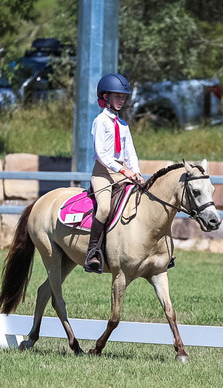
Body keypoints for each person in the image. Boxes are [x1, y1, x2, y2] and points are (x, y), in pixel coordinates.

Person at [84, 73, 144, 274]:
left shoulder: (123, 125)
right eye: (117, 96)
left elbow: (130, 153)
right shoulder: (100, 122)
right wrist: (124, 170)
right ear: (106, 97)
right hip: (103, 173)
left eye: (123, 96)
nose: (122, 100)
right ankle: (93, 252)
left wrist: (136, 172)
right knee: (103, 209)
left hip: (123, 172)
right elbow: (101, 154)